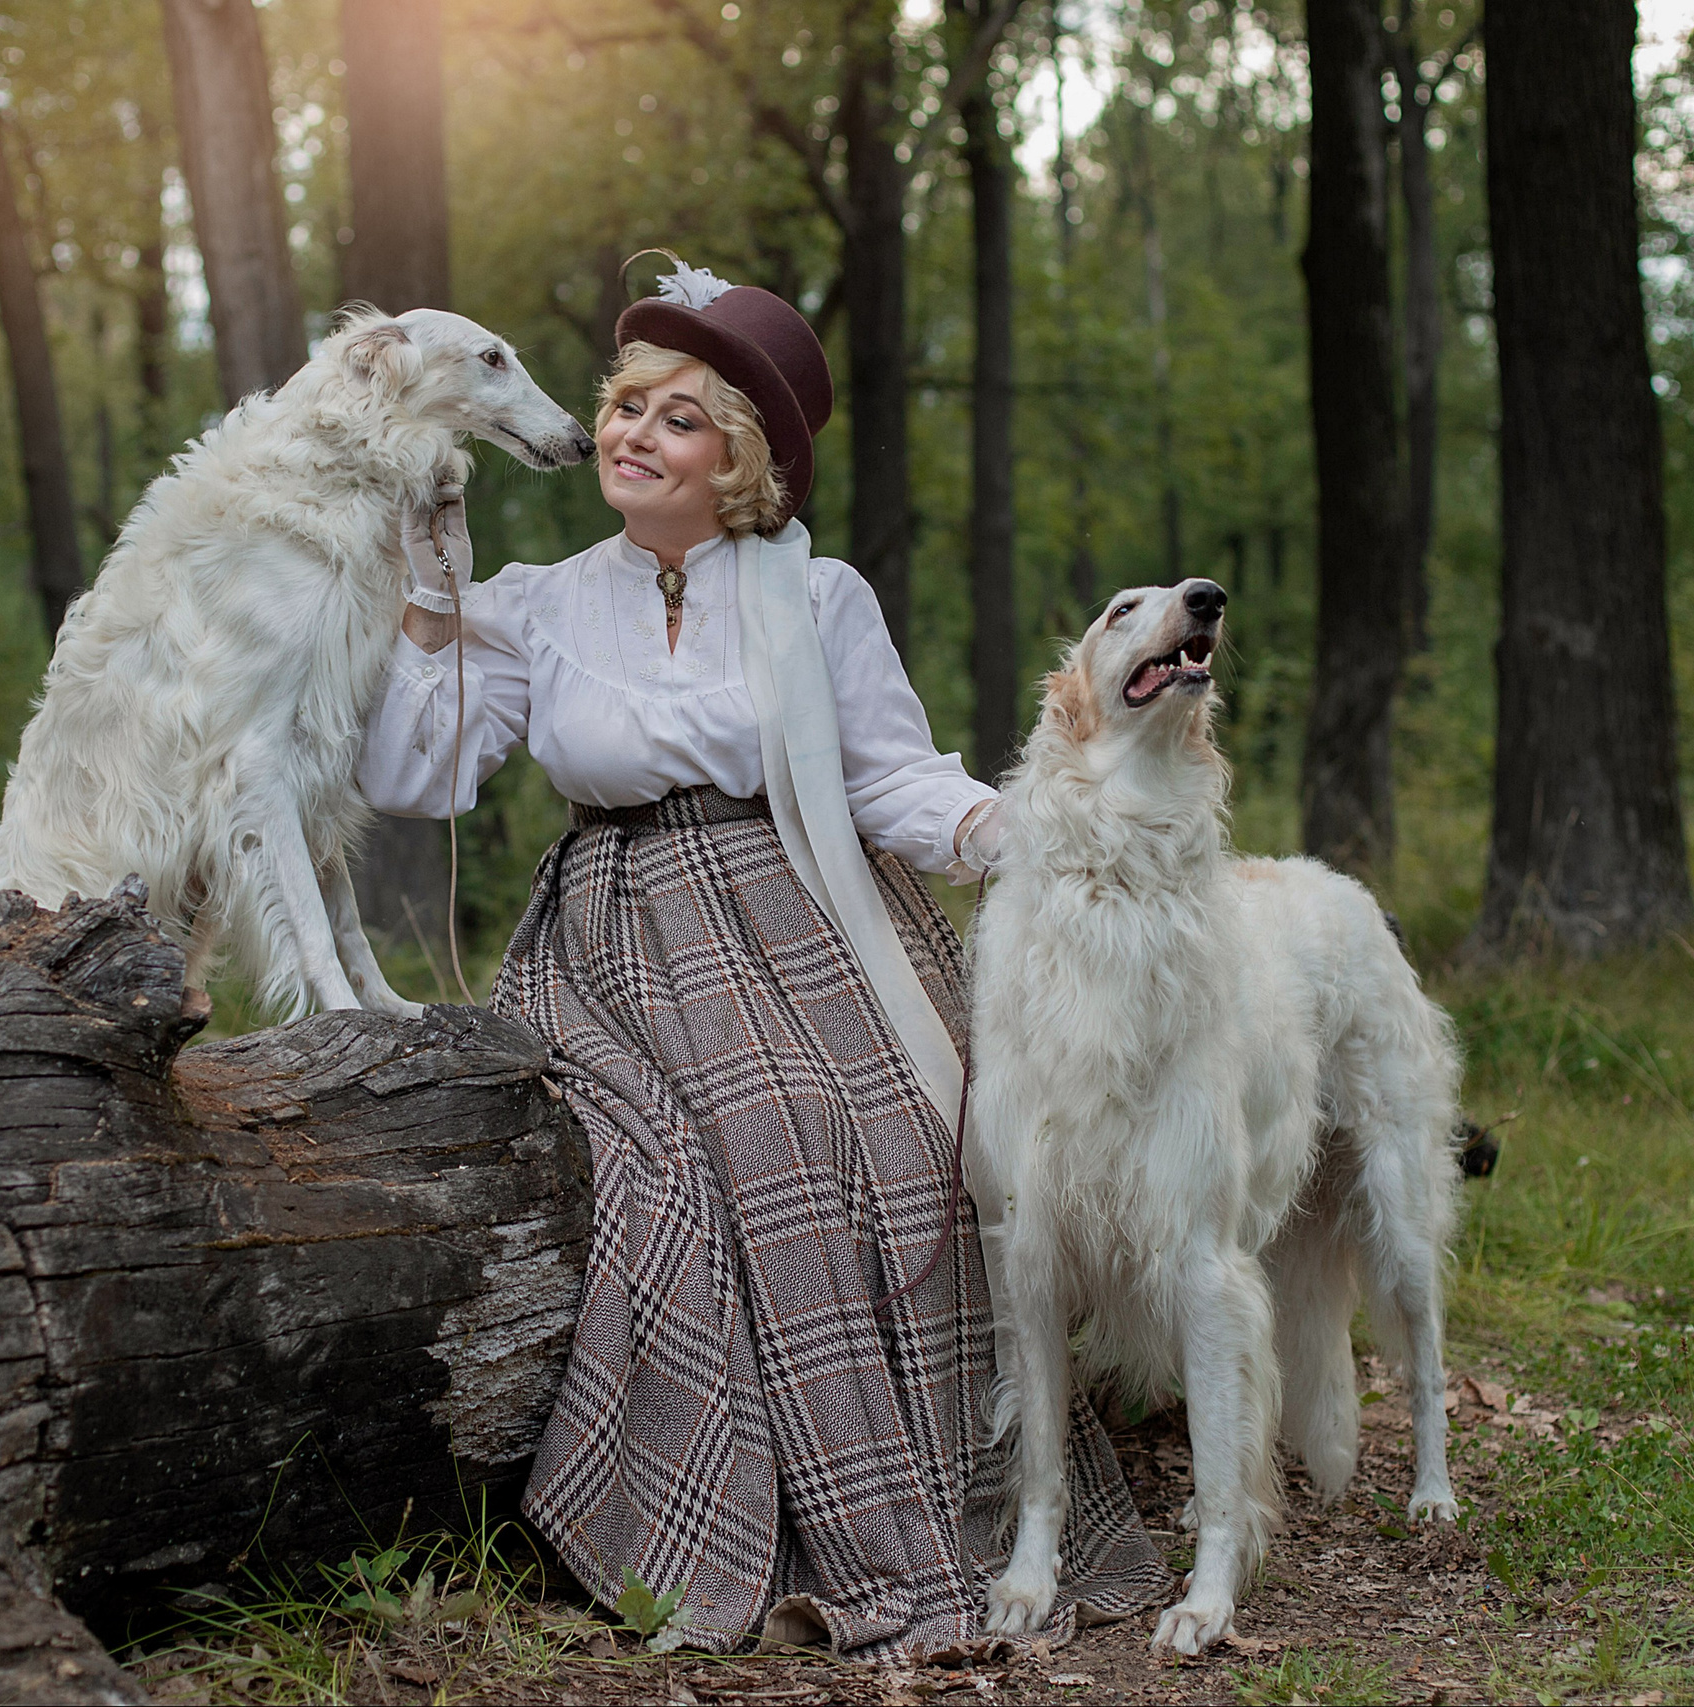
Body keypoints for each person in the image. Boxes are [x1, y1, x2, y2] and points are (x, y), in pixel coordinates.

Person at [357, 259, 1167, 1658]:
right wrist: (432, 587)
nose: (627, 432)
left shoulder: (817, 596)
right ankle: (731, 1525)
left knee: (914, 1132)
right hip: (624, 928)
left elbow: (889, 777)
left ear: (740, 461)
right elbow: (420, 772)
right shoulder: (536, 602)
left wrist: (1013, 829)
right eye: (624, 406)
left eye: (677, 418)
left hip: (810, 901)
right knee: (751, 1143)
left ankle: (941, 1515)